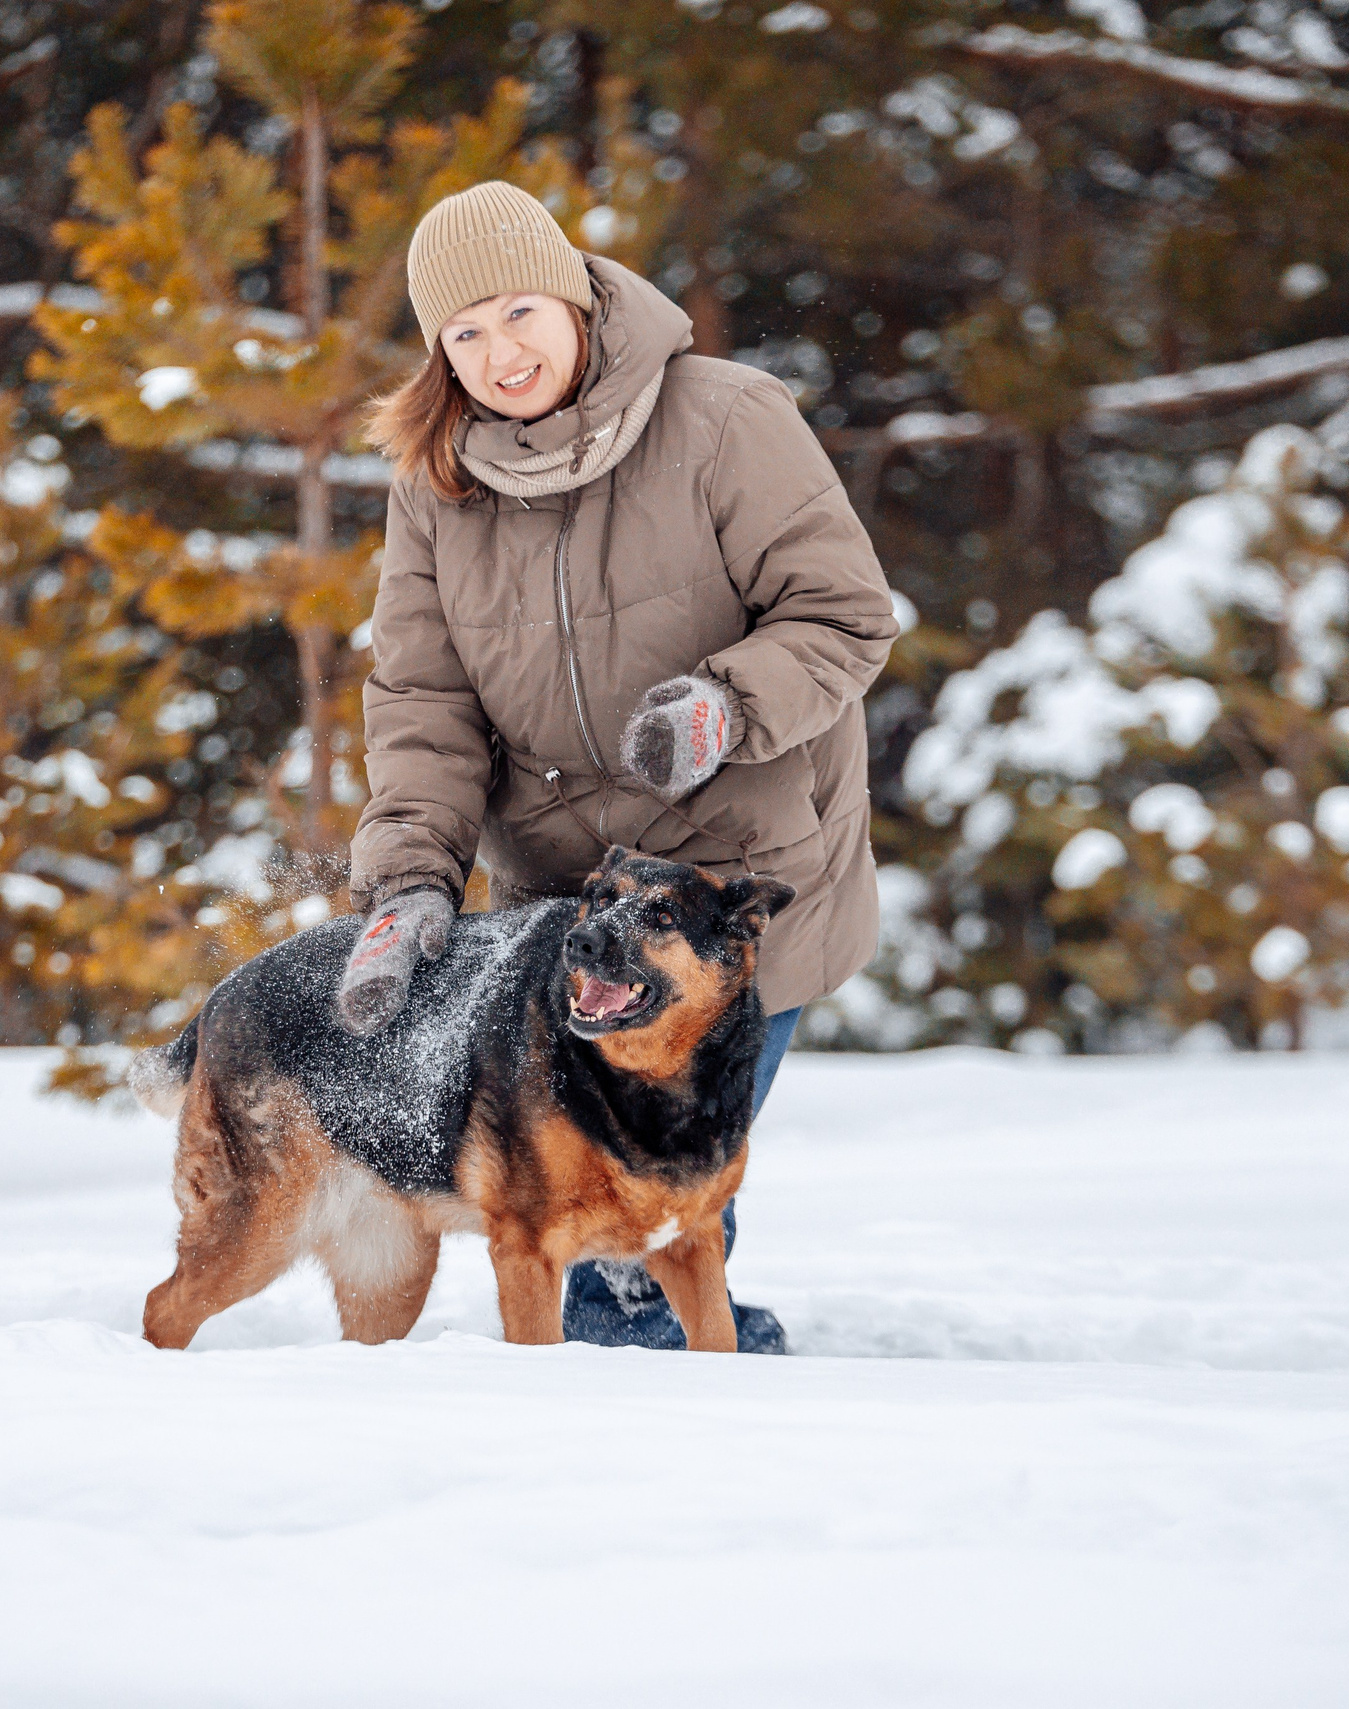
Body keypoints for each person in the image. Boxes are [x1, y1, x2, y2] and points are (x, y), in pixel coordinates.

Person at [339, 181, 899, 1353]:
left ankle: (657, 1382)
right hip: (568, 913)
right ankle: (648, 1372)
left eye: (518, 313)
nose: (500, 355)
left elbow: (844, 614)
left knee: (658, 1182)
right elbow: (423, 703)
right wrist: (410, 880)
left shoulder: (724, 417)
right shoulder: (436, 484)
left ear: (576, 292)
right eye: (464, 333)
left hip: (727, 887)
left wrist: (721, 707)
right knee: (582, 1193)